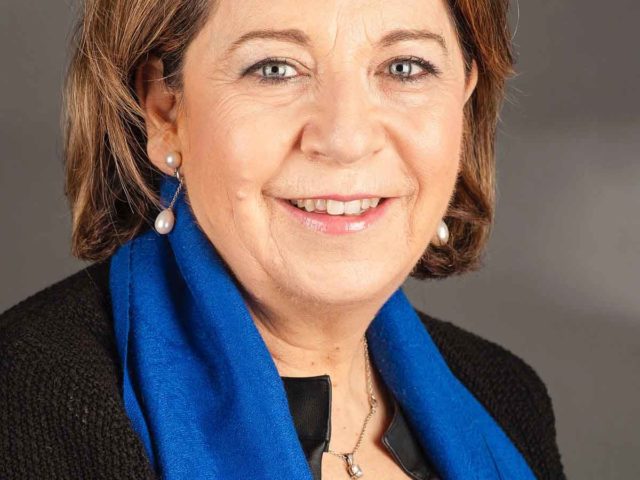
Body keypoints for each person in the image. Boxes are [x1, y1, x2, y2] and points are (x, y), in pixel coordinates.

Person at [0, 0, 566, 479]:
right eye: (274, 69)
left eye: (405, 67)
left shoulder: (505, 395)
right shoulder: (26, 403)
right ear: (165, 110)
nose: (345, 138)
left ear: (462, 99)